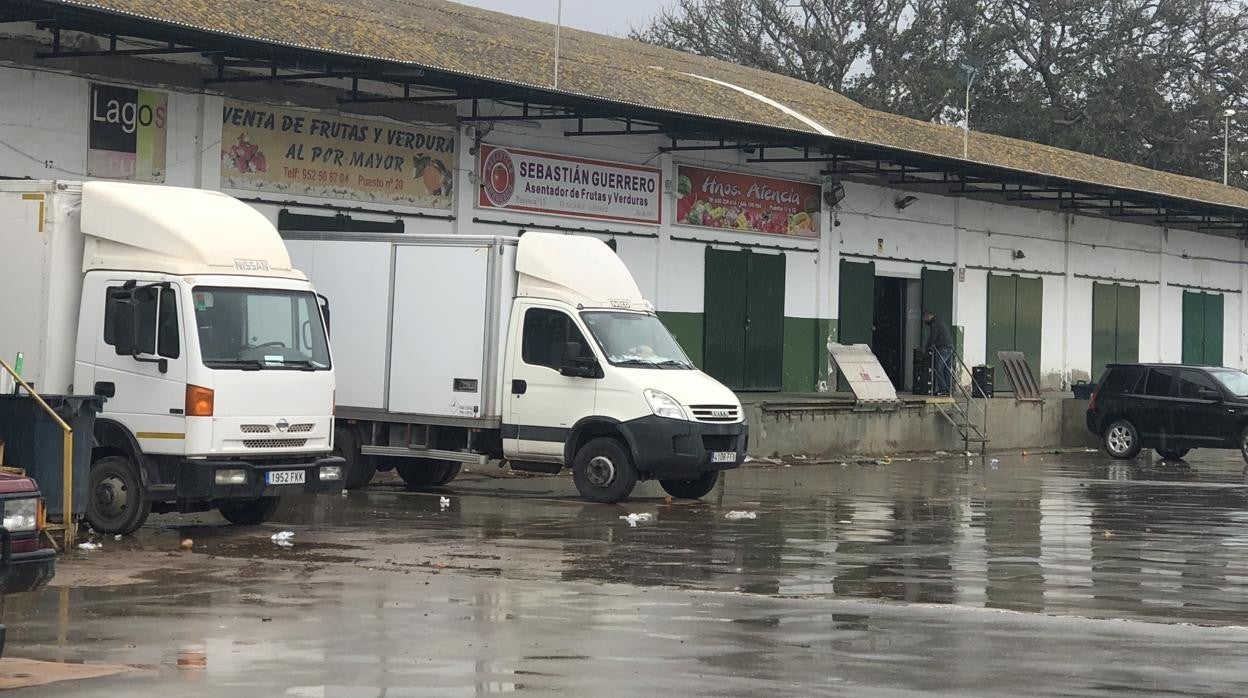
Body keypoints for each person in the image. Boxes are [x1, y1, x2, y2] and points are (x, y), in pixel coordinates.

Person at [923, 310, 954, 395]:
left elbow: (933, 337)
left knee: (938, 369)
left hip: (943, 348)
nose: (924, 321)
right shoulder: (941, 322)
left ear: (927, 316)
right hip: (949, 346)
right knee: (946, 370)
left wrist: (926, 348)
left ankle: (943, 389)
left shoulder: (934, 324)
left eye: (924, 318)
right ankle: (948, 389)